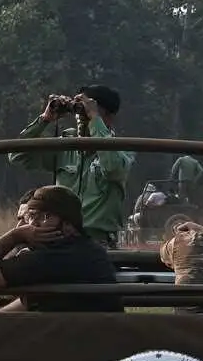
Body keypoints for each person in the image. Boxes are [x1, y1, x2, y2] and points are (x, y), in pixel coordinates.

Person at [8, 84, 134, 248]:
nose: (81, 116)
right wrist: (45, 119)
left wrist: (95, 120)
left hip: (97, 242)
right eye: (78, 110)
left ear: (109, 117)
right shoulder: (65, 147)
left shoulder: (121, 151)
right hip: (59, 237)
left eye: (87, 110)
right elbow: (17, 156)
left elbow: (112, 168)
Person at [0, 185, 118, 312]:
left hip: (62, 344)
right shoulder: (93, 252)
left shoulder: (47, 259)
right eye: (32, 217)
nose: (33, 225)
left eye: (46, 217)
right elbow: (28, 303)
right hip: (96, 340)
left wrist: (15, 236)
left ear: (69, 226)